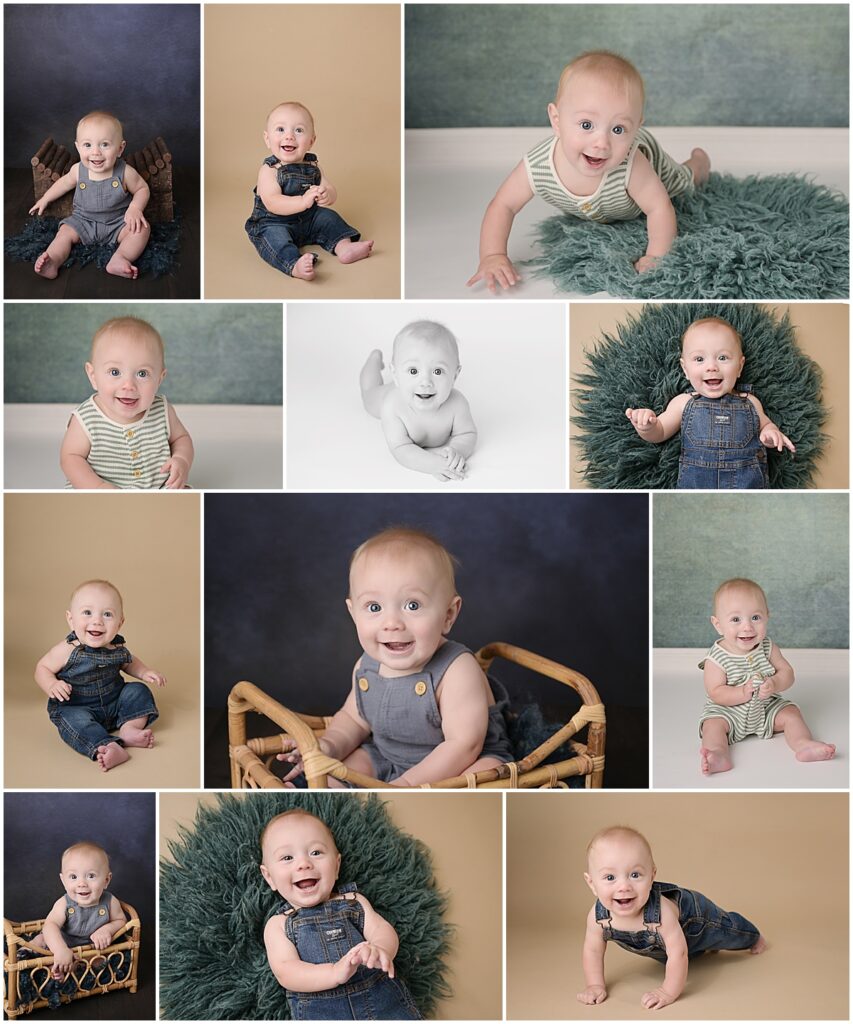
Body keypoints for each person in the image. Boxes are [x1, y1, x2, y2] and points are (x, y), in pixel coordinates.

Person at [276, 527, 513, 786]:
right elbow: (353, 719)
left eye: (413, 605)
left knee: (487, 775)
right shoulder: (366, 667)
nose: (392, 623)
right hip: (386, 758)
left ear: (448, 615)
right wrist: (328, 747)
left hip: (460, 762)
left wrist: (408, 785)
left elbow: (464, 745)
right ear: (354, 613)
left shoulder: (457, 669)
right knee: (336, 773)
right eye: (374, 607)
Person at [467, 51, 709, 293]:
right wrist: (492, 254)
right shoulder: (539, 164)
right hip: (605, 203)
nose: (601, 143)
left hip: (653, 166)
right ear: (556, 119)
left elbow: (659, 207)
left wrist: (656, 256)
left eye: (618, 129)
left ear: (636, 127)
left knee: (683, 182)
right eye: (586, 125)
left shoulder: (633, 163)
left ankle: (698, 162)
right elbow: (503, 205)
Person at [578, 825, 765, 1011]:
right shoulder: (598, 917)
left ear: (652, 876)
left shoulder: (662, 914)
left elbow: (678, 954)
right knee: (696, 952)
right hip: (673, 946)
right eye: (610, 877)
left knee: (728, 931)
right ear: (592, 883)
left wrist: (667, 992)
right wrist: (595, 985)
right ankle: (707, 947)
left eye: (635, 875)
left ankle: (754, 937)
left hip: (695, 922)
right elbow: (593, 951)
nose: (624, 886)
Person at [259, 809, 422, 1019]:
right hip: (324, 1013)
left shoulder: (353, 901)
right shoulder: (279, 924)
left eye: (316, 852)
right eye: (287, 857)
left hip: (384, 1001)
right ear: (269, 876)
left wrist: (380, 949)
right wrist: (333, 972)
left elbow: (382, 930)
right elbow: (286, 971)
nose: (304, 864)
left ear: (336, 866)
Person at [625, 316, 795, 489]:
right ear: (685, 369)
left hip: (746, 487)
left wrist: (770, 433)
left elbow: (766, 424)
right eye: (699, 359)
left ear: (739, 366)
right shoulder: (683, 402)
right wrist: (647, 426)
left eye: (722, 357)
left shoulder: (750, 402)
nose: (711, 367)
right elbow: (660, 432)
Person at [699, 578, 835, 775]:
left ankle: (803, 744)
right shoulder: (716, 657)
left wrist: (774, 683)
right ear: (718, 625)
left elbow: (787, 673)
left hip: (766, 707)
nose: (747, 627)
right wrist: (742, 692)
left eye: (755, 617)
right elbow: (716, 693)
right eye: (736, 619)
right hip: (729, 712)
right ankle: (718, 755)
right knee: (712, 726)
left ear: (767, 617)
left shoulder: (768, 647)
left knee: (791, 713)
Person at [34, 579, 166, 772]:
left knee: (137, 690)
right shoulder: (67, 649)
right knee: (69, 719)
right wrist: (52, 684)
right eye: (87, 612)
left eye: (107, 614)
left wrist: (144, 672)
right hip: (78, 707)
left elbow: (129, 662)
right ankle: (107, 746)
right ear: (71, 619)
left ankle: (129, 729)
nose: (97, 621)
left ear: (120, 623)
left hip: (115, 705)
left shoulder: (117, 647)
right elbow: (42, 668)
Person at [60, 316, 193, 489]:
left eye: (142, 374)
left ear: (159, 379)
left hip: (157, 487)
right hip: (102, 490)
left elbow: (181, 438)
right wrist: (98, 487)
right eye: (115, 372)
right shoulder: (86, 419)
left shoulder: (162, 411)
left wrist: (182, 459)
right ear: (93, 376)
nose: (129, 386)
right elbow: (70, 458)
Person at [245, 101, 373, 279]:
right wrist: (302, 201)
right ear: (267, 139)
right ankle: (294, 264)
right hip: (273, 222)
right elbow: (272, 202)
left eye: (298, 130)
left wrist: (327, 194)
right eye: (281, 129)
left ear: (311, 141)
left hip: (308, 219)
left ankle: (344, 246)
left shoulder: (312, 165)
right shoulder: (269, 170)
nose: (289, 136)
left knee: (328, 217)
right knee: (274, 240)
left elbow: (327, 186)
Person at [29, 111, 150, 280]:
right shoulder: (78, 170)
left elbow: (142, 189)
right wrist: (45, 199)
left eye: (105, 145)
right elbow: (63, 184)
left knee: (141, 230)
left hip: (118, 222)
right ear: (78, 147)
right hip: (83, 221)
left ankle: (120, 258)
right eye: (87, 145)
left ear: (120, 148)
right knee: (64, 232)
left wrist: (135, 209)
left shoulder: (125, 172)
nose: (96, 152)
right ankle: (53, 261)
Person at [359, 321, 477, 482]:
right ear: (395, 374)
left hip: (407, 387)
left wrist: (455, 453)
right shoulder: (392, 407)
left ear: (455, 375)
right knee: (369, 393)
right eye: (413, 371)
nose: (425, 382)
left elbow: (467, 434)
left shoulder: (458, 404)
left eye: (437, 371)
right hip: (385, 395)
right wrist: (433, 464)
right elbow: (400, 448)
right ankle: (374, 359)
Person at [30, 842, 126, 980]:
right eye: (74, 877)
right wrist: (60, 949)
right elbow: (50, 925)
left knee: (98, 962)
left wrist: (107, 929)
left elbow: (121, 921)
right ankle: (22, 956)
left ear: (106, 880)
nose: (82, 884)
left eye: (91, 876)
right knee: (40, 940)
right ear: (63, 881)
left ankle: (61, 971)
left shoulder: (110, 901)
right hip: (61, 942)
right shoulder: (64, 903)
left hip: (90, 948)